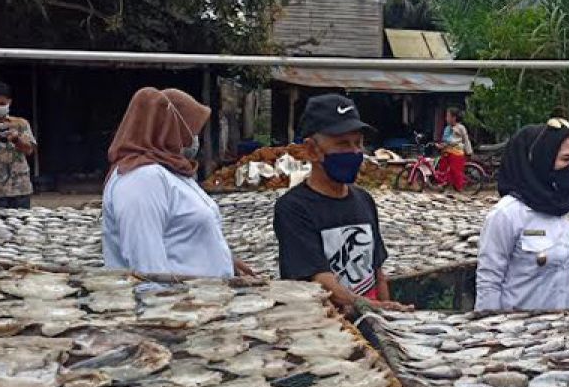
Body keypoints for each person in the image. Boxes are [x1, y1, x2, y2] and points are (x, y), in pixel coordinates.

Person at [274, 94, 406, 315]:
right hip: (325, 328)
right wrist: (373, 307)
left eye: (358, 143)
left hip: (371, 318)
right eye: (343, 144)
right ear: (312, 150)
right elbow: (321, 279)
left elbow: (377, 273)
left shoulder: (364, 200)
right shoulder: (293, 208)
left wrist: (388, 316)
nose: (355, 152)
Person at [103, 87, 251, 279]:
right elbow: (148, 267)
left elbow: (182, 234)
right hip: (179, 304)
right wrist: (164, 302)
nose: (194, 140)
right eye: (192, 131)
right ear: (170, 130)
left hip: (205, 300)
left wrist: (224, 259)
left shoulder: (173, 172)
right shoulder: (142, 179)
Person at [477, 119, 569, 312]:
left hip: (568, 324)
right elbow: (489, 281)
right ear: (543, 160)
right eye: (566, 159)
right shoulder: (508, 214)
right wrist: (490, 330)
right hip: (518, 330)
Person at [439, 106, 473, 192]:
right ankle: (445, 184)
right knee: (443, 168)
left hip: (456, 153)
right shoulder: (447, 128)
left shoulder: (461, 128)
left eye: (448, 116)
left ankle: (459, 188)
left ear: (454, 118)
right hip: (447, 152)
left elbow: (466, 140)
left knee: (456, 171)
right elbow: (445, 140)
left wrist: (469, 152)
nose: (446, 118)